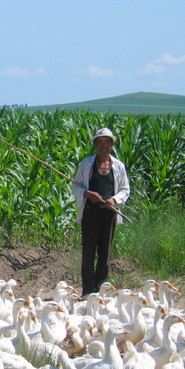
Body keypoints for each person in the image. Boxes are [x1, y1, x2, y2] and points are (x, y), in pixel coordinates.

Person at [72, 127, 130, 296]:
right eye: (99, 142)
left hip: (109, 212)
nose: (103, 145)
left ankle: (101, 288)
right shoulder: (86, 164)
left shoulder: (118, 166)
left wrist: (114, 200)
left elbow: (125, 190)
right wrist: (87, 193)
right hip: (90, 212)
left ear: (111, 145)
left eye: (106, 142)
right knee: (88, 251)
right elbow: (76, 186)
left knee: (105, 252)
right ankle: (88, 290)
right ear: (95, 145)